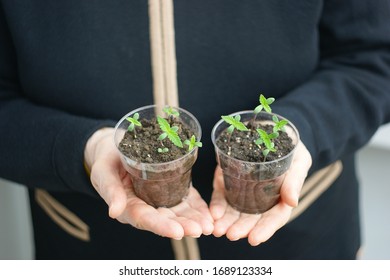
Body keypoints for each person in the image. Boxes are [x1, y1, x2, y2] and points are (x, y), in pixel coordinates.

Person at [0, 0, 389, 260]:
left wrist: (302, 130)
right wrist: (81, 148)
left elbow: (375, 57)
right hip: (94, 246)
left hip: (300, 244)